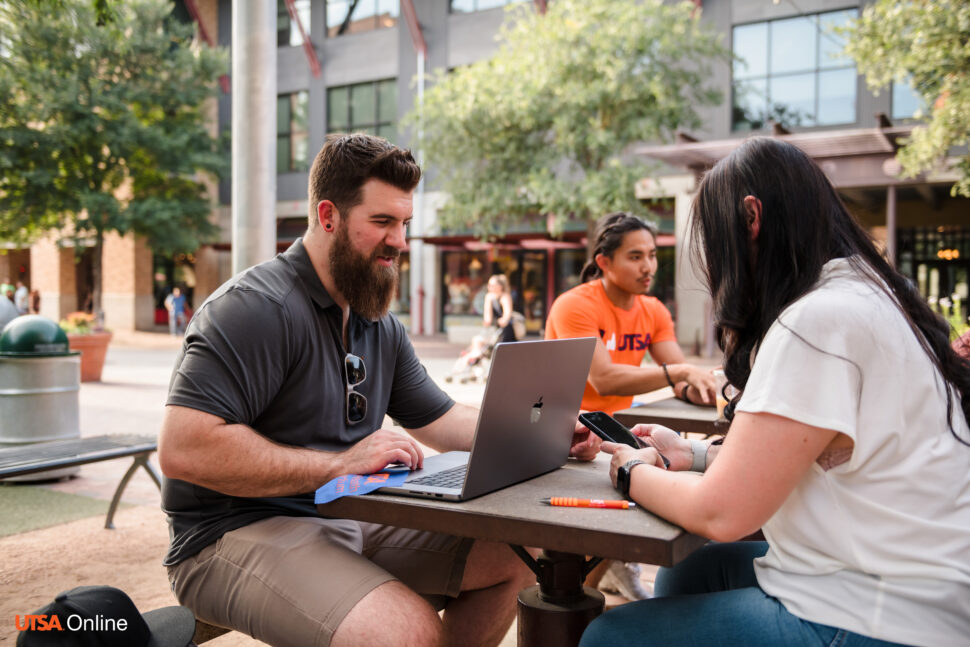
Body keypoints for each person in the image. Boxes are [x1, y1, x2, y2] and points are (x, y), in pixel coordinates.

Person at [158, 133, 601, 647]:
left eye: (405, 224)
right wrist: (338, 464)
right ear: (328, 217)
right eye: (383, 222)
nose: (400, 241)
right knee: (407, 633)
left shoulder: (375, 320)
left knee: (521, 555)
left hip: (347, 514)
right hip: (228, 534)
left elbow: (439, 419)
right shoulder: (255, 308)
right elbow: (183, 448)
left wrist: (540, 431)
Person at [580, 138, 970, 647]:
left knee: (610, 636)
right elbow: (799, 454)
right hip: (904, 577)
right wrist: (693, 454)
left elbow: (723, 514)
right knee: (689, 572)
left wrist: (631, 472)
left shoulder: (818, 321)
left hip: (882, 611)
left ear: (751, 219)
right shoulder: (866, 294)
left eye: (716, 242)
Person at [545, 211, 718, 600]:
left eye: (653, 255)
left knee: (648, 475)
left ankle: (613, 563)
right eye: (636, 256)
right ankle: (577, 597)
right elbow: (603, 379)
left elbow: (675, 371)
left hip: (615, 426)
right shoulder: (576, 305)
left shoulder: (652, 309)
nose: (648, 267)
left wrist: (702, 384)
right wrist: (681, 372)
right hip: (566, 427)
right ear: (604, 262)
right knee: (629, 488)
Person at [482, 273, 517, 343]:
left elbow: (507, 312)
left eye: (492, 285)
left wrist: (504, 320)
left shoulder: (505, 297)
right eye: (489, 285)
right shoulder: (489, 297)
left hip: (506, 329)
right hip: (494, 328)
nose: (490, 287)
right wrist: (487, 321)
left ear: (500, 286)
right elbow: (487, 314)